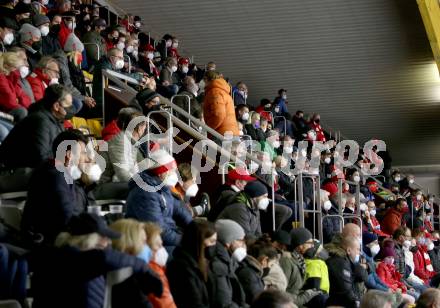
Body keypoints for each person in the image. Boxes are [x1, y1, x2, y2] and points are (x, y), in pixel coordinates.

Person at [30, 213, 163, 308]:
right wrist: (142, 267)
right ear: (90, 240)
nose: (107, 243)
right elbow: (102, 257)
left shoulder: (61, 258)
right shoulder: (72, 261)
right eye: (103, 238)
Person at [20, 130, 96, 244]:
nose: (87, 158)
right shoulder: (55, 176)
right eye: (83, 153)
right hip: (50, 245)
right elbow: (66, 217)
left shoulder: (56, 172)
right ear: (69, 155)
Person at [125, 149, 192, 252]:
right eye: (172, 171)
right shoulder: (145, 193)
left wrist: (195, 228)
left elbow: (179, 209)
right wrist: (187, 240)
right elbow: (158, 231)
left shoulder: (162, 188)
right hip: (152, 243)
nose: (174, 175)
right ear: (161, 173)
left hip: (167, 237)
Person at [0, 84, 70, 169]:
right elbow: (40, 159)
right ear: (56, 106)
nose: (70, 109)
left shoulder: (56, 120)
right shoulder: (41, 121)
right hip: (13, 172)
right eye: (68, 106)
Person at [167, 220, 216, 308]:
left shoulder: (204, 263)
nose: (215, 246)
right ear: (198, 242)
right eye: (212, 241)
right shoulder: (180, 268)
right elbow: (193, 303)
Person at [279, 227, 324, 307]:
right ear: (300, 245)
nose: (312, 246)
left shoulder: (299, 259)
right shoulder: (286, 261)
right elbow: (282, 295)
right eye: (310, 243)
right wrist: (306, 295)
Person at [208, 219, 247, 308]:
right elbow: (223, 303)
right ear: (227, 242)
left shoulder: (229, 260)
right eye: (240, 240)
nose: (243, 244)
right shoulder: (217, 266)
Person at [326, 236, 368, 308]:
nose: (359, 253)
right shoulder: (340, 263)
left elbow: (362, 275)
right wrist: (357, 304)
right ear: (348, 250)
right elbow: (345, 292)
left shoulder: (346, 260)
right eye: (358, 249)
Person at [143, 222, 177, 308]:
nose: (162, 249)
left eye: (162, 245)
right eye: (158, 246)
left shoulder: (160, 269)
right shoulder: (154, 273)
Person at [203, 70, 239, 136]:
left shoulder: (214, 92)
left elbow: (218, 115)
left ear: (206, 79)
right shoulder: (223, 90)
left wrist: (209, 128)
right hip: (231, 132)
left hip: (221, 134)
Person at [0, 51, 31, 121]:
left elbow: (26, 98)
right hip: (2, 112)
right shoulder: (1, 78)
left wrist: (18, 100)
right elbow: (10, 101)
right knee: (22, 112)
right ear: (6, 66)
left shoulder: (12, 79)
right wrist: (16, 99)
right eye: (16, 68)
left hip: (7, 111)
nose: (17, 71)